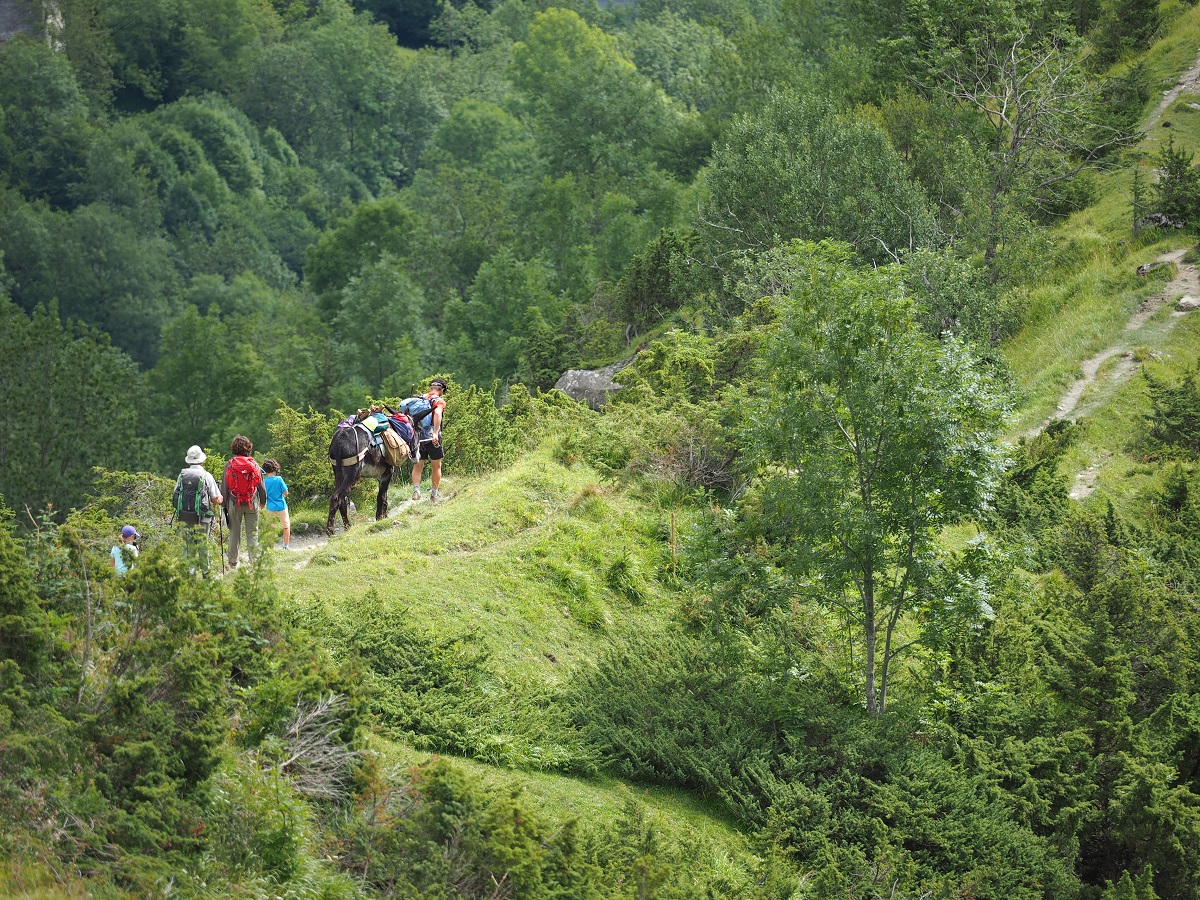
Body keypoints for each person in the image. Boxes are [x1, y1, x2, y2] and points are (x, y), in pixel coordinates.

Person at [174, 445, 223, 572]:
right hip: (202, 517)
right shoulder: (206, 475)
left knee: (188, 544)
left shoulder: (182, 475)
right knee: (202, 545)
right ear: (201, 460)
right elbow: (215, 499)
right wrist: (221, 498)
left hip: (184, 515)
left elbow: (176, 494)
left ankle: (189, 572)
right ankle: (205, 573)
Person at [222, 435, 266, 569]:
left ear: (234, 448)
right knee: (252, 532)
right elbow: (261, 486)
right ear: (248, 448)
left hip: (234, 503)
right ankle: (254, 561)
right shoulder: (254, 464)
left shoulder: (229, 464)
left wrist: (224, 504)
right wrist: (263, 501)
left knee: (234, 532)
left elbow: (224, 486)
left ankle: (233, 561)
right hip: (252, 502)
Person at [411, 377, 448, 502]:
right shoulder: (439, 401)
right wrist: (436, 433)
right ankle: (434, 494)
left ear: (430, 388)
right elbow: (437, 414)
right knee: (436, 466)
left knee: (417, 466)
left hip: (417, 438)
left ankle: (416, 490)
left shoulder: (419, 398)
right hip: (432, 438)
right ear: (442, 390)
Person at [262, 458, 292, 550]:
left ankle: (270, 547)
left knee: (271, 528)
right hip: (281, 506)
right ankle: (286, 546)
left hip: (270, 507)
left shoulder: (264, 481)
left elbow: (264, 494)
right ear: (276, 468)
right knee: (286, 526)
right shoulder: (279, 479)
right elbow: (286, 492)